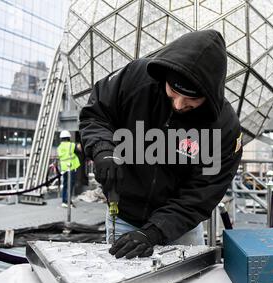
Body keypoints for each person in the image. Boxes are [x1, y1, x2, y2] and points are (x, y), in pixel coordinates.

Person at [79, 30, 243, 259]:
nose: (178, 104)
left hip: (180, 230)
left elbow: (201, 195)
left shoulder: (224, 129)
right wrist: (102, 150)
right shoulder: (134, 78)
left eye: (191, 99)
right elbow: (96, 114)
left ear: (210, 93)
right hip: (123, 217)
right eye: (173, 92)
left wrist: (153, 232)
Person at [57, 130, 81, 208]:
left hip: (64, 168)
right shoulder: (71, 145)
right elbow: (79, 149)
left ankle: (64, 201)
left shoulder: (59, 147)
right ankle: (68, 201)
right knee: (70, 185)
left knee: (65, 185)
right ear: (68, 138)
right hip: (71, 167)